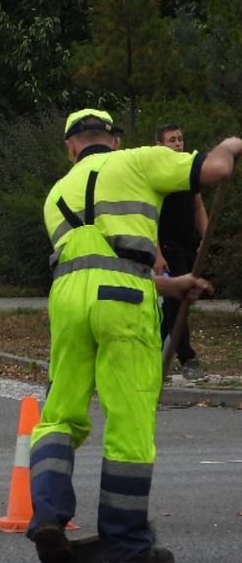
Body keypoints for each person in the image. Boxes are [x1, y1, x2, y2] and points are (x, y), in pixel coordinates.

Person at [27, 109, 238, 563]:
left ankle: (48, 515)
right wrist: (233, 144)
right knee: (129, 424)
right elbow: (216, 169)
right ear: (115, 141)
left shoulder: (56, 193)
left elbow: (95, 264)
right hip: (124, 303)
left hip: (66, 301)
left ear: (70, 147)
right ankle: (125, 543)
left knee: (59, 415)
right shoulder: (139, 161)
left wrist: (170, 285)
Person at [154, 124, 209, 381]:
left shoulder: (188, 172)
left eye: (180, 139)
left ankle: (152, 355)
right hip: (167, 245)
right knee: (177, 302)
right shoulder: (156, 175)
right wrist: (156, 253)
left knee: (175, 306)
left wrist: (205, 239)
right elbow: (148, 217)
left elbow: (198, 207)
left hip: (187, 244)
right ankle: (188, 358)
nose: (178, 143)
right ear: (160, 146)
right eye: (171, 140)